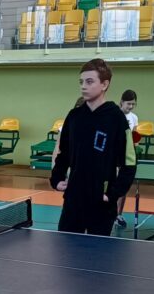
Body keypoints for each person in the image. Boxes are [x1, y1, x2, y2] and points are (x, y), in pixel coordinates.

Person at [50, 59, 136, 235]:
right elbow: (64, 153)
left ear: (104, 84)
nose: (83, 86)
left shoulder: (116, 118)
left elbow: (129, 162)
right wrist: (57, 178)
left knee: (98, 251)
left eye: (89, 82)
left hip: (102, 204)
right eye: (81, 82)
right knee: (65, 249)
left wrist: (112, 194)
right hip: (73, 202)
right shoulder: (74, 116)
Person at [115, 89, 139, 228]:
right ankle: (108, 212)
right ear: (122, 102)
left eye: (133, 104)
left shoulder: (134, 117)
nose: (130, 106)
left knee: (123, 187)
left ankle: (118, 214)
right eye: (128, 103)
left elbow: (135, 138)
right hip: (114, 156)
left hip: (127, 157)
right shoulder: (114, 115)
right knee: (111, 186)